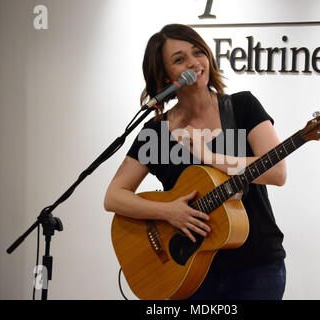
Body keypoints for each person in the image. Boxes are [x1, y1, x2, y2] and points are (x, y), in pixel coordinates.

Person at [104, 24, 287, 300]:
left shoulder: (243, 107)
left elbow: (276, 172)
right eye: (180, 59)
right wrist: (168, 212)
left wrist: (210, 157)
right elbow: (114, 197)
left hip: (256, 268)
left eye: (198, 52)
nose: (194, 63)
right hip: (187, 269)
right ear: (165, 77)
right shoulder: (156, 132)